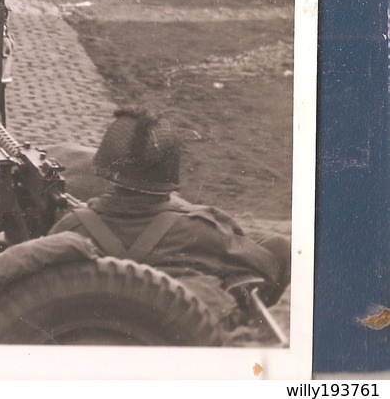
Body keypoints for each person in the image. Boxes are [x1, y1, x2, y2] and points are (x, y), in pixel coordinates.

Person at [50, 109, 291, 310]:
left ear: (104, 170)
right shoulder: (200, 231)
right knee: (279, 247)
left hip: (91, 331)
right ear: (168, 176)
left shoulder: (71, 228)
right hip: (174, 334)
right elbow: (263, 263)